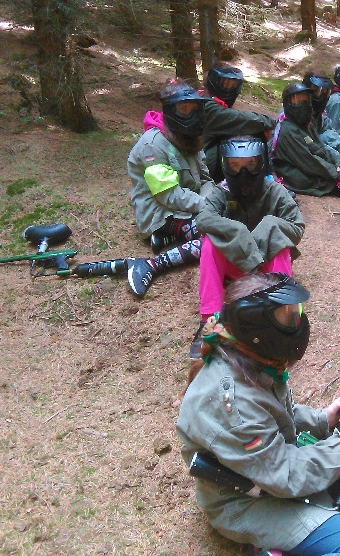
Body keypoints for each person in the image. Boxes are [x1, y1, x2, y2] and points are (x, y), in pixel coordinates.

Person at [176, 272, 340, 556]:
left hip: (270, 470)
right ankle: (300, 534)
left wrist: (322, 419)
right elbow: (284, 473)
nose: (296, 321)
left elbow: (276, 416)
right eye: (288, 316)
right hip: (247, 500)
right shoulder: (235, 403)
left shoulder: (252, 359)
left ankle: (291, 542)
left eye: (295, 312)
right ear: (258, 329)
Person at [190, 135, 305, 359]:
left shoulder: (275, 191)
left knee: (281, 246)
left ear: (261, 163)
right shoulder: (222, 192)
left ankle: (282, 312)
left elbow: (297, 226)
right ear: (225, 165)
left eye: (250, 165)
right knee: (209, 245)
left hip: (266, 269)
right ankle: (209, 320)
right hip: (235, 266)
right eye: (235, 166)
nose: (243, 173)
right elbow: (203, 220)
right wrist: (237, 231)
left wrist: (269, 227)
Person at [126, 79, 214, 298]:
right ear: (170, 110)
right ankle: (152, 264)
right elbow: (168, 195)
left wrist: (213, 202)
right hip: (161, 212)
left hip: (188, 205)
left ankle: (164, 239)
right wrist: (208, 206)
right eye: (184, 108)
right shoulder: (153, 144)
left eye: (194, 108)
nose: (191, 114)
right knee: (215, 237)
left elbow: (206, 179)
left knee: (226, 218)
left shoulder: (189, 138)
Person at [201, 62, 277, 183]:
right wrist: (268, 122)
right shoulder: (206, 106)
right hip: (203, 165)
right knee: (249, 136)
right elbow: (241, 120)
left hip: (205, 160)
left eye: (233, 85)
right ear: (214, 82)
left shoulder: (211, 102)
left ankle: (265, 178)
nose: (229, 89)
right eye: (225, 84)